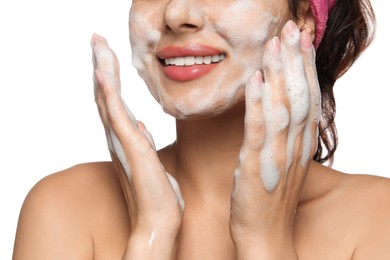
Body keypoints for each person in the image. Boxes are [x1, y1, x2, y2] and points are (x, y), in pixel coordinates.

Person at [12, 0, 390, 259]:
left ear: (303, 19)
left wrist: (264, 243)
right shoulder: (64, 209)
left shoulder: (378, 216)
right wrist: (151, 235)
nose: (176, 13)